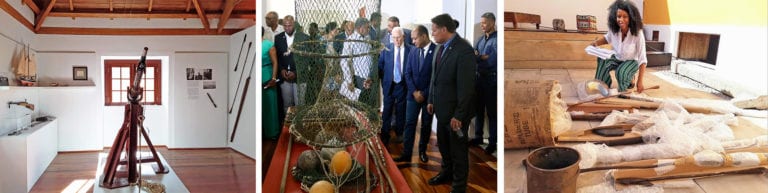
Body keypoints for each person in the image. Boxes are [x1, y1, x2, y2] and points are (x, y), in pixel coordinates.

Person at [426, 14, 475, 193]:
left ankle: (459, 185)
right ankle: (446, 173)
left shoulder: (464, 50)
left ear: (444, 29)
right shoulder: (441, 48)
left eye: (434, 30)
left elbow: (467, 87)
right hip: (441, 110)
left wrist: (459, 115)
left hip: (456, 114)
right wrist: (431, 99)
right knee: (445, 147)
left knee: (458, 151)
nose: (432, 34)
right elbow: (435, 77)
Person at [589, 0, 648, 92]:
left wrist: (640, 82)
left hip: (631, 61)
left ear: (631, 18)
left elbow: (642, 58)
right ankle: (603, 85)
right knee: (602, 59)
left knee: (621, 72)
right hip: (617, 58)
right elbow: (607, 38)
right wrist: (595, 43)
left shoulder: (638, 33)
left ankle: (628, 81)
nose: (621, 20)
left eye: (625, 17)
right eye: (618, 16)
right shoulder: (615, 29)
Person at [397, 25, 435, 163]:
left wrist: (423, 93)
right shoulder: (413, 51)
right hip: (412, 96)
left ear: (424, 36)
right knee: (410, 124)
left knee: (426, 125)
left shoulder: (436, 51)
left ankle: (422, 152)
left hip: (428, 97)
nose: (413, 42)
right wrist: (414, 92)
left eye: (415, 38)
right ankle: (406, 154)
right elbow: (407, 73)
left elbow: (435, 78)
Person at [377, 27, 412, 147]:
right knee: (386, 112)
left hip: (403, 86)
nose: (396, 40)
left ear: (403, 37)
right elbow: (380, 67)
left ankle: (399, 134)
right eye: (394, 37)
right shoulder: (386, 49)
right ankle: (385, 135)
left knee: (401, 111)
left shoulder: (410, 50)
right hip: (389, 86)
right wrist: (384, 82)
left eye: (398, 37)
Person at [469, 12, 498, 155]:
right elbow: (473, 54)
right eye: (481, 23)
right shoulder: (480, 39)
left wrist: (479, 57)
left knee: (492, 112)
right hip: (479, 79)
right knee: (478, 111)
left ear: (492, 23)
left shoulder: (498, 39)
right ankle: (478, 137)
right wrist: (481, 57)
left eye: (484, 23)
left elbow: (492, 60)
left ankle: (493, 142)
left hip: (491, 80)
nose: (482, 25)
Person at [275, 15, 309, 115]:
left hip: (300, 77)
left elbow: (306, 59)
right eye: (285, 26)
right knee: (287, 104)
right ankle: (288, 126)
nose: (287, 28)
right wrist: (281, 70)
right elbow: (278, 57)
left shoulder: (304, 37)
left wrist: (296, 72)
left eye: (289, 25)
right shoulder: (278, 38)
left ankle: (299, 126)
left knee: (300, 104)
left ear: (293, 24)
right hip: (285, 78)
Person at [340, 18, 376, 107]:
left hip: (369, 77)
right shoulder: (350, 41)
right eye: (367, 27)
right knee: (361, 106)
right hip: (359, 79)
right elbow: (344, 62)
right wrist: (349, 81)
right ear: (361, 28)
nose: (369, 30)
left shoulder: (368, 38)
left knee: (369, 105)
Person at [262, 27, 280, 139]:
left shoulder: (269, 45)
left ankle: (272, 132)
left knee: (269, 105)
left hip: (267, 76)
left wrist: (273, 78)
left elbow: (275, 62)